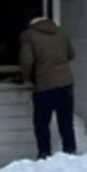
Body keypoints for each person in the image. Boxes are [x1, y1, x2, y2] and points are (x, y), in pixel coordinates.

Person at [19, 15, 77, 158]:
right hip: (66, 83)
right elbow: (71, 54)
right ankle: (70, 152)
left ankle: (44, 153)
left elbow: (27, 60)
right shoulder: (61, 33)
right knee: (66, 122)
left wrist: (26, 78)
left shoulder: (28, 35)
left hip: (45, 85)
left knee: (42, 123)